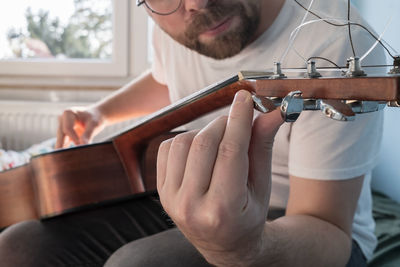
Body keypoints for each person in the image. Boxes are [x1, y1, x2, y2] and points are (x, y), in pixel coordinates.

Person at [0, 0, 386, 266]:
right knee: (17, 247)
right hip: (201, 191)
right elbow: (163, 78)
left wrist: (245, 249)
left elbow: (329, 230)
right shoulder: (177, 24)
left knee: (137, 264)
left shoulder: (336, 42)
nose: (198, 3)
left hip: (309, 224)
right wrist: (100, 112)